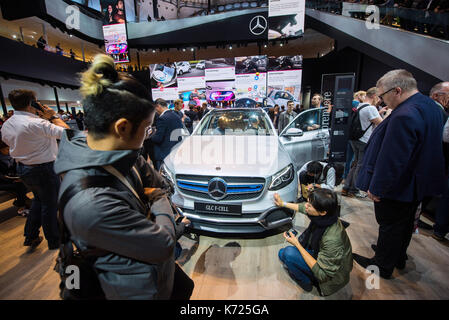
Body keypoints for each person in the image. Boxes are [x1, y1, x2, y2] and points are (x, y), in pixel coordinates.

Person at [53, 54, 194, 300]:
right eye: (147, 128)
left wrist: (155, 196)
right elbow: (163, 243)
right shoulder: (90, 203)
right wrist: (159, 200)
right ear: (122, 127)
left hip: (153, 276)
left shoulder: (117, 154)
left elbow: (156, 182)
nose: (148, 134)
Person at [354, 70, 446, 279]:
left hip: (398, 186)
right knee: (404, 224)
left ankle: (382, 265)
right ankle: (397, 256)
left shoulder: (405, 114)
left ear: (397, 90)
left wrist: (377, 188)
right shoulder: (430, 106)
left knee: (390, 225)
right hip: (416, 183)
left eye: (383, 95)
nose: (381, 100)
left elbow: (393, 160)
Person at [1, 90, 69, 250]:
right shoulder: (38, 124)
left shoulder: (7, 124)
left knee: (39, 201)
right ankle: (54, 241)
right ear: (33, 103)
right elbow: (69, 133)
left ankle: (30, 235)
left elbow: (7, 141)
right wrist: (53, 116)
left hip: (24, 169)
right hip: (44, 169)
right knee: (50, 205)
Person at [274, 189, 353, 295]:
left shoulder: (332, 239)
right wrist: (282, 203)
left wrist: (297, 244)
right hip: (319, 254)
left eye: (310, 205)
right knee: (282, 254)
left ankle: (306, 282)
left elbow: (323, 274)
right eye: (308, 202)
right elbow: (302, 208)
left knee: (287, 254)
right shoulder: (327, 217)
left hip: (329, 279)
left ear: (323, 212)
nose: (306, 206)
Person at [342, 87, 383, 198]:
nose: (379, 100)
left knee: (355, 164)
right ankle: (354, 189)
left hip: (354, 139)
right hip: (364, 140)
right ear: (374, 96)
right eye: (379, 97)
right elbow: (382, 124)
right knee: (360, 165)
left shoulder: (359, 106)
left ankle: (346, 187)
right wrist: (387, 113)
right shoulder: (371, 108)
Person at [150, 98, 184, 171]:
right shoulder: (177, 116)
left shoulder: (162, 118)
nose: (156, 111)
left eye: (155, 109)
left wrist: (151, 135)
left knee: (162, 178)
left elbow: (158, 138)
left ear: (158, 106)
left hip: (163, 153)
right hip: (174, 152)